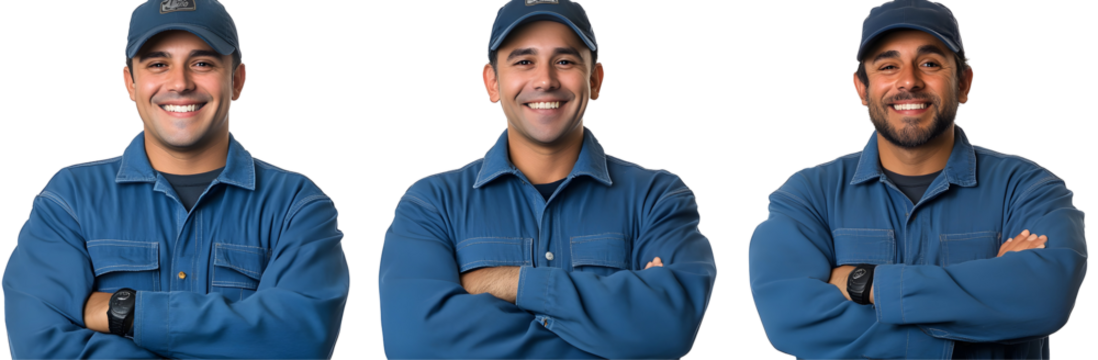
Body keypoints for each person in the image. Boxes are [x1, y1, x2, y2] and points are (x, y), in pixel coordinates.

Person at [1, 1, 350, 358]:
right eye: (158, 64)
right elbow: (40, 346)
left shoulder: (298, 206)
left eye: (202, 63)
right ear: (129, 82)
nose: (180, 83)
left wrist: (128, 312)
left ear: (237, 81)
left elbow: (299, 341)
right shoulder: (70, 201)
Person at [377, 1, 718, 359]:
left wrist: (513, 283)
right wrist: (618, 333)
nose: (545, 80)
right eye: (524, 61)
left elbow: (668, 330)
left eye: (565, 61)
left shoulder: (657, 198)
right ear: (492, 83)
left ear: (595, 80)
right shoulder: (432, 204)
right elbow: (416, 344)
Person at [747, 0, 1087, 358]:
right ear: (861, 88)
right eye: (888, 66)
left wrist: (865, 283)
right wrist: (987, 308)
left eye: (930, 63)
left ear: (964, 84)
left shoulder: (1029, 189)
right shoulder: (807, 196)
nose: (909, 81)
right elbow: (790, 321)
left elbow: (1045, 299)